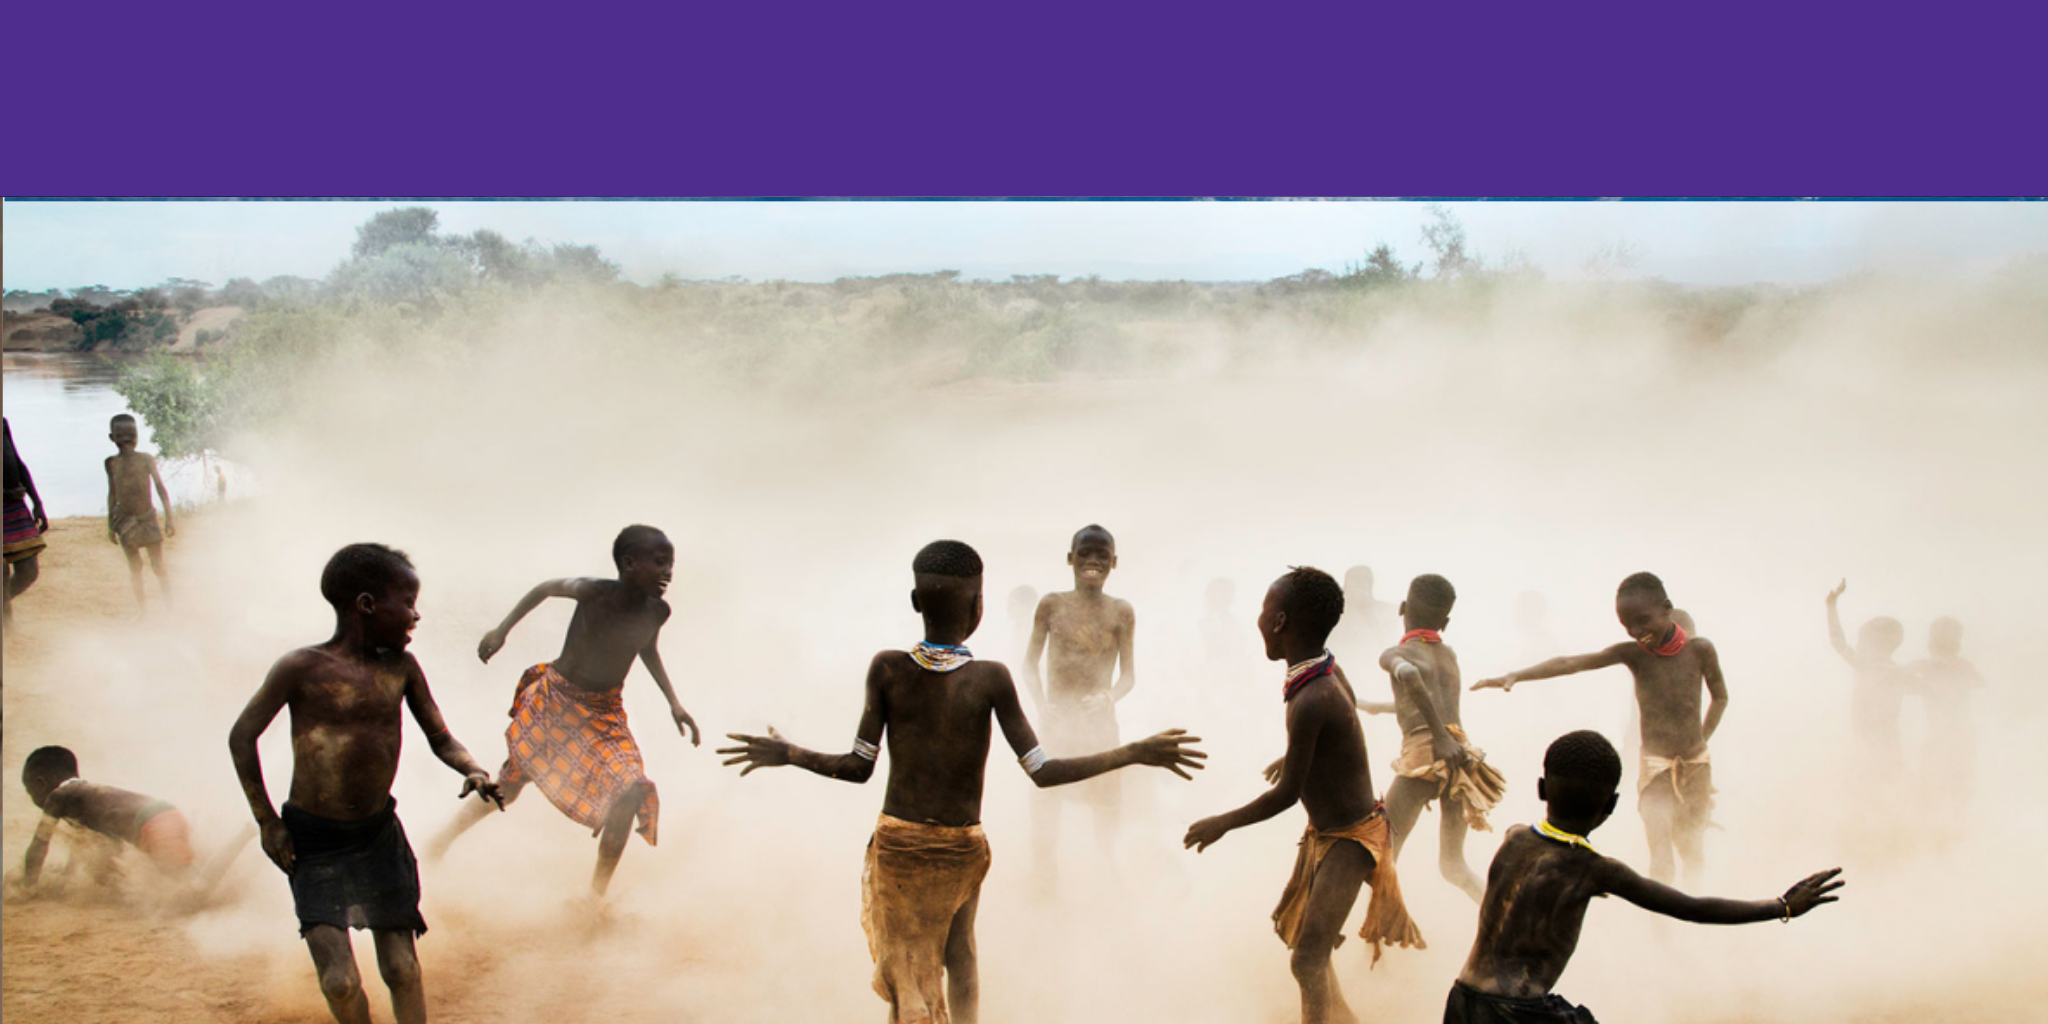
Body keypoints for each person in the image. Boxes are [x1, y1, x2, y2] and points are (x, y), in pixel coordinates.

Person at [718, 540, 1203, 1024]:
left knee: (905, 967)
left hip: (899, 845)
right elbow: (1044, 772)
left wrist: (790, 754)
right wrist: (1133, 752)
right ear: (979, 607)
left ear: (916, 601)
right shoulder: (991, 679)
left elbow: (857, 767)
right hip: (961, 845)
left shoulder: (887, 669)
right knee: (961, 955)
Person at [228, 543, 503, 1024]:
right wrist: (267, 822)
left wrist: (473, 769)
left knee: (401, 968)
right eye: (408, 602)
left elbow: (441, 738)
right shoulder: (301, 668)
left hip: (377, 836)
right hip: (313, 842)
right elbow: (241, 737)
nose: (416, 615)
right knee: (339, 981)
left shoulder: (401, 669)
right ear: (367, 605)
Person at [1445, 730, 1843, 1024]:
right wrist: (1781, 906)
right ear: (1612, 805)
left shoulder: (1513, 837)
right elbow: (1692, 908)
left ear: (1542, 788)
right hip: (1519, 1013)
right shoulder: (1593, 869)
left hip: (1462, 1000)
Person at [1185, 566, 1424, 1024]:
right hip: (1333, 834)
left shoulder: (1313, 696)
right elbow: (1343, 730)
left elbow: (1286, 795)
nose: (1258, 619)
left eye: (1264, 610)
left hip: (1352, 841)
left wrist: (1223, 822)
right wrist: (1298, 753)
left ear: (1279, 622)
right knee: (1309, 946)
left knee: (1307, 960)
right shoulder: (1325, 670)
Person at [426, 525, 698, 897]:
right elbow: (545, 588)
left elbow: (646, 648)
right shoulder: (592, 591)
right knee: (510, 784)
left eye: (671, 564)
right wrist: (501, 630)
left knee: (633, 790)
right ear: (630, 563)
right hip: (557, 702)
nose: (668, 572)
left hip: (604, 711)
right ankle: (442, 841)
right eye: (660, 562)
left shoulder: (657, 611)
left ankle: (593, 899)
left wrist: (674, 702)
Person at [1471, 573, 1727, 886]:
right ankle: (1662, 917)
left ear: (1667, 608)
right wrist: (1516, 675)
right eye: (1628, 626)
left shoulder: (1700, 650)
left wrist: (1702, 738)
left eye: (1643, 621)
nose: (1637, 632)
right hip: (1655, 769)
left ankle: (1695, 908)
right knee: (1661, 855)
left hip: (1697, 767)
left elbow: (1720, 697)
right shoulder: (1634, 655)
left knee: (1692, 851)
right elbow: (1570, 663)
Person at [1353, 574, 1505, 902]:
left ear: (1403, 608)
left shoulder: (1394, 653)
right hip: (1461, 757)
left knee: (1382, 857)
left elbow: (1410, 676)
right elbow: (1428, 700)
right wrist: (1376, 707)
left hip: (1427, 755)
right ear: (1444, 623)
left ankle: (1385, 933)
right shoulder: (1448, 655)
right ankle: (1503, 917)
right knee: (1453, 866)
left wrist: (1438, 737)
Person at [1020, 525, 1137, 881]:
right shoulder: (1052, 604)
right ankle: (1043, 881)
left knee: (1107, 808)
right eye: (1085, 553)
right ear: (1070, 558)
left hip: (1099, 726)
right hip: (1058, 723)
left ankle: (1111, 878)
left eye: (1102, 555)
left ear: (1114, 562)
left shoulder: (1121, 611)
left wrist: (1108, 698)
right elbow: (1029, 665)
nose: (1093, 561)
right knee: (1046, 804)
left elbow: (1128, 676)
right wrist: (1042, 705)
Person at [15, 745, 251, 900]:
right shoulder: (83, 798)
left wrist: (28, 887)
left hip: (155, 824)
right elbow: (96, 846)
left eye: (30, 792)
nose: (33, 800)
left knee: (192, 894)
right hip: (161, 818)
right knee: (186, 884)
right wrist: (69, 875)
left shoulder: (59, 796)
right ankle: (241, 840)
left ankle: (246, 832)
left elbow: (39, 844)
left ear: (41, 783)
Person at [1825, 580, 1908, 791]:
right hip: (1885, 740)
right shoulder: (1898, 672)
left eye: (1862, 640)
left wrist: (1831, 606)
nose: (1858, 645)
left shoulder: (1866, 666)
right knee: (1886, 782)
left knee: (1869, 785)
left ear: (1876, 644)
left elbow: (1837, 642)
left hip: (1871, 740)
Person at [1910, 616, 1983, 833]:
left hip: (1953, 731)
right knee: (1942, 777)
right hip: (1949, 731)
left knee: (1951, 778)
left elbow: (1979, 684)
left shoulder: (1956, 666)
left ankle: (1951, 825)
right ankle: (1940, 825)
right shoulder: (1933, 666)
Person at [104, 413, 173, 608]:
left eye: (131, 435)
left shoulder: (146, 460)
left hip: (147, 519)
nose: (127, 439)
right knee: (135, 568)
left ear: (137, 436)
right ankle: (142, 609)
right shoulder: (111, 463)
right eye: (121, 435)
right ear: (112, 438)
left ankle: (171, 607)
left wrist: (169, 517)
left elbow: (160, 488)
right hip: (125, 522)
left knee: (158, 566)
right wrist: (110, 524)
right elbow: (112, 493)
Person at [4, 417, 50, 627]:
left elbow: (17, 462)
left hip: (15, 505)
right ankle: (7, 629)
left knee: (28, 571)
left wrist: (37, 502)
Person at [1326, 565, 1389, 665]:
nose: (1361, 588)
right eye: (1358, 581)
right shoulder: (1332, 611)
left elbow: (1385, 641)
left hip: (1369, 661)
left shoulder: (1384, 613)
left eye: (1365, 582)